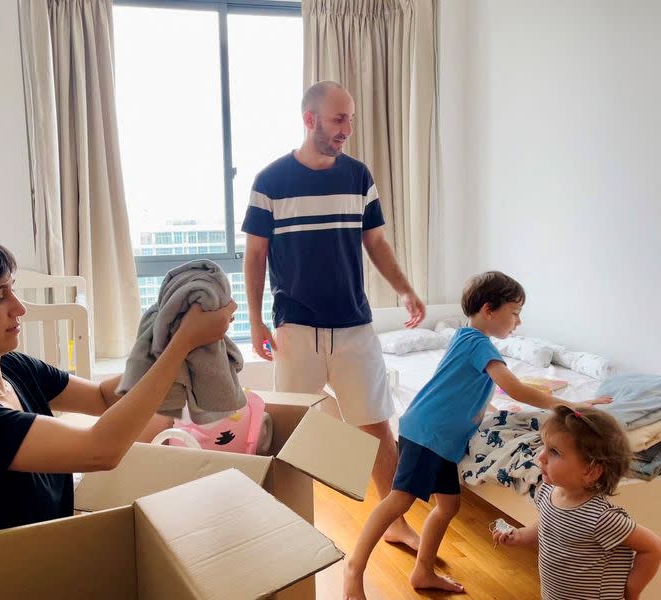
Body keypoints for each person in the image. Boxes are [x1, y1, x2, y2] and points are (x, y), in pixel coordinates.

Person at [0, 235, 236, 540]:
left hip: (41, 564)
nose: (19, 308)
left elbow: (103, 398)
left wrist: (170, 338)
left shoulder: (14, 368)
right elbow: (100, 450)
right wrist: (182, 346)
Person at [343, 271, 612, 598]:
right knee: (399, 501)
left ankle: (423, 571)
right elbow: (516, 388)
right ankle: (354, 568)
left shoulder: (465, 338)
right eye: (514, 313)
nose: (518, 322)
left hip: (441, 439)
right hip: (429, 432)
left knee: (449, 506)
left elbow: (473, 391)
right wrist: (571, 405)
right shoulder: (477, 343)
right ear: (489, 310)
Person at [242, 80, 426, 550]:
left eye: (351, 118)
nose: (348, 129)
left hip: (354, 325)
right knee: (290, 424)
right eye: (339, 119)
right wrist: (258, 320)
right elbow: (256, 255)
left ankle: (394, 522)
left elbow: (377, 243)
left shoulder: (358, 176)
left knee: (377, 422)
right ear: (310, 120)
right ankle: (286, 521)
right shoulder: (270, 181)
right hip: (296, 326)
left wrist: (405, 290)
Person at [493, 405, 661, 600]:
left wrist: (631, 592)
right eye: (544, 445)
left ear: (591, 471)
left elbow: (653, 547)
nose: (541, 456)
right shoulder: (547, 491)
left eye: (554, 452)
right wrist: (521, 536)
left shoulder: (602, 518)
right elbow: (549, 525)